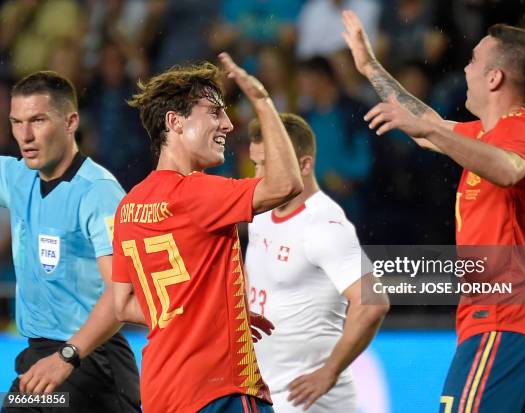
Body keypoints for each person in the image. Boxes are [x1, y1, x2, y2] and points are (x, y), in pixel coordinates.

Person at [342, 10, 525, 413]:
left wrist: (431, 130)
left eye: (473, 61)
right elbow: (426, 123)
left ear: (495, 78)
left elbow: (508, 168)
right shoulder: (487, 134)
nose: (465, 69)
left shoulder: (522, 129)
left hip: (505, 325)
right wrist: (369, 66)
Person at [111, 53, 303, 413]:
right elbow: (287, 184)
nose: (228, 125)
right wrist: (262, 101)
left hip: (160, 391)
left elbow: (123, 304)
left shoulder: (129, 206)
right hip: (218, 389)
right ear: (175, 122)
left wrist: (213, 311)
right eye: (214, 112)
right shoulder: (197, 192)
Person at [1, 71, 140, 412]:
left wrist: (68, 355)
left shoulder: (99, 192)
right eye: (17, 122)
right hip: (37, 358)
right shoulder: (18, 177)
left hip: (91, 359)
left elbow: (120, 294)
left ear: (70, 121)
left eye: (37, 120)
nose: (25, 135)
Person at [245, 112, 389, 412]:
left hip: (310, 399)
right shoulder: (259, 216)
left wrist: (329, 372)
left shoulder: (324, 225)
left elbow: (373, 301)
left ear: (305, 165)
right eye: (256, 164)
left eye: (267, 166)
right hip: (265, 393)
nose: (258, 177)